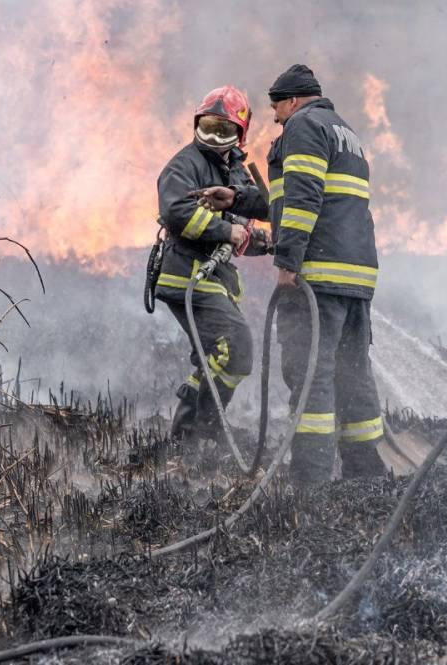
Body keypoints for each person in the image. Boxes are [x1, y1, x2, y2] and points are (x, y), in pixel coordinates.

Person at [199, 64, 388, 486]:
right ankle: (365, 471)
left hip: (317, 275)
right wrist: (239, 198)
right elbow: (293, 199)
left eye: (277, 108)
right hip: (355, 275)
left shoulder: (303, 126)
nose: (276, 118)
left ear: (293, 100)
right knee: (352, 368)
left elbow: (301, 199)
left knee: (310, 372)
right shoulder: (345, 133)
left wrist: (287, 262)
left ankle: (311, 479)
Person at [154, 85, 269, 444]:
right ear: (196, 124)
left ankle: (198, 431)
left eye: (224, 130)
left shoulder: (235, 171)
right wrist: (227, 230)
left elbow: (243, 226)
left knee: (225, 353)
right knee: (234, 344)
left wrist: (262, 242)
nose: (215, 136)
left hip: (212, 275)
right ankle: (194, 431)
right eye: (208, 126)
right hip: (186, 273)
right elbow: (176, 212)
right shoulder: (185, 164)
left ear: (240, 134)